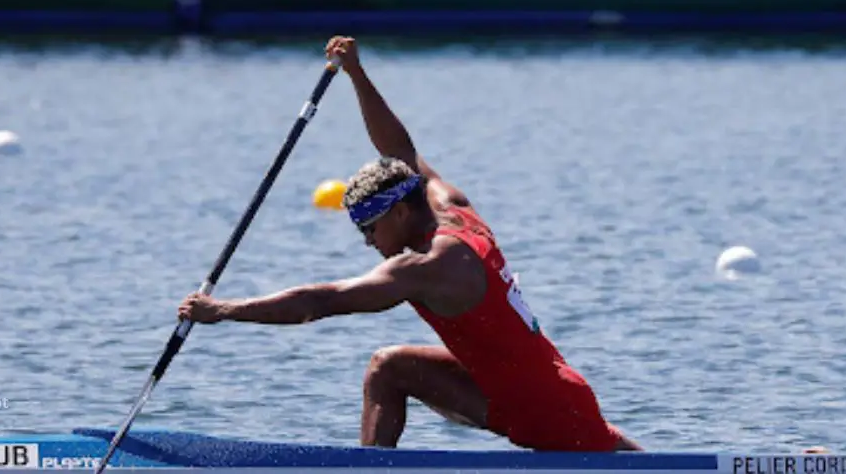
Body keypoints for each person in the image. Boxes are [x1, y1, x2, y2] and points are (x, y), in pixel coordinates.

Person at [178, 36, 641, 452]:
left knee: (592, 442)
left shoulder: (430, 266)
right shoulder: (450, 204)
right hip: (528, 391)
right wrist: (356, 74)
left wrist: (223, 311)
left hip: (546, 413)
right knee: (389, 367)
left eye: (370, 230)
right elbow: (399, 150)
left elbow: (322, 301)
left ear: (400, 212)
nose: (368, 243)